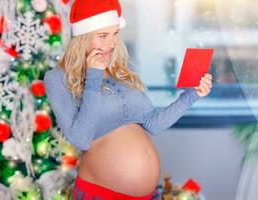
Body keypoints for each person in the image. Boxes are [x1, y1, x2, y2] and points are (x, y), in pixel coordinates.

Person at [44, 0, 213, 199]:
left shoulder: (121, 69)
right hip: (101, 194)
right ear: (82, 37)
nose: (111, 43)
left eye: (115, 33)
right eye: (102, 36)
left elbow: (152, 123)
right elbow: (81, 139)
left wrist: (191, 95)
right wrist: (93, 76)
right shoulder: (57, 78)